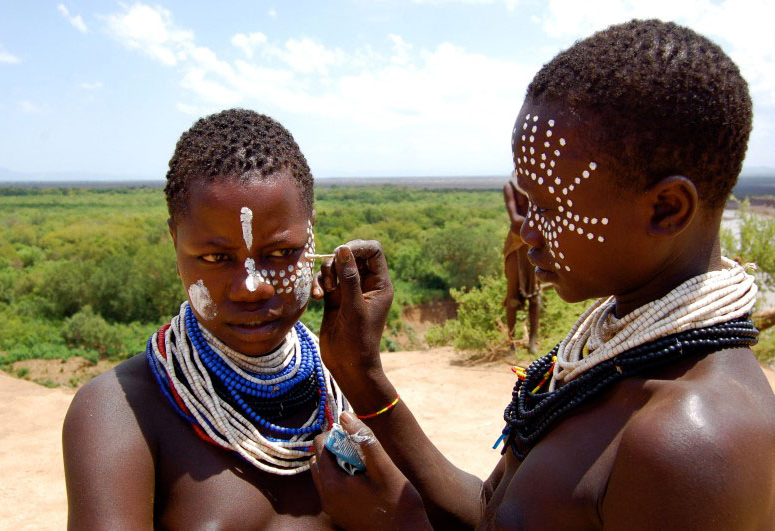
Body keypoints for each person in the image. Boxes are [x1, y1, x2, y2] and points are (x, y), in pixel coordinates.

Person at [309, 19, 775, 529]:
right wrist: (361, 373)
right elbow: (494, 511)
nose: (528, 231)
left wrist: (396, 525)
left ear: (665, 209)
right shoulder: (610, 352)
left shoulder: (691, 440)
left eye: (550, 207)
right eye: (526, 203)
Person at [63, 109, 348, 528]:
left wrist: (365, 375)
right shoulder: (121, 412)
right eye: (216, 258)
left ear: (311, 234)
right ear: (175, 241)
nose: (252, 288)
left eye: (282, 254)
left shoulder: (343, 389)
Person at [503, 179, 541, 354]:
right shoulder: (510, 187)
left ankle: (532, 342)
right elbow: (514, 218)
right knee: (512, 296)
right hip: (516, 244)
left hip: (534, 243)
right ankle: (511, 342)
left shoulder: (536, 185)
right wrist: (539, 222)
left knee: (535, 296)